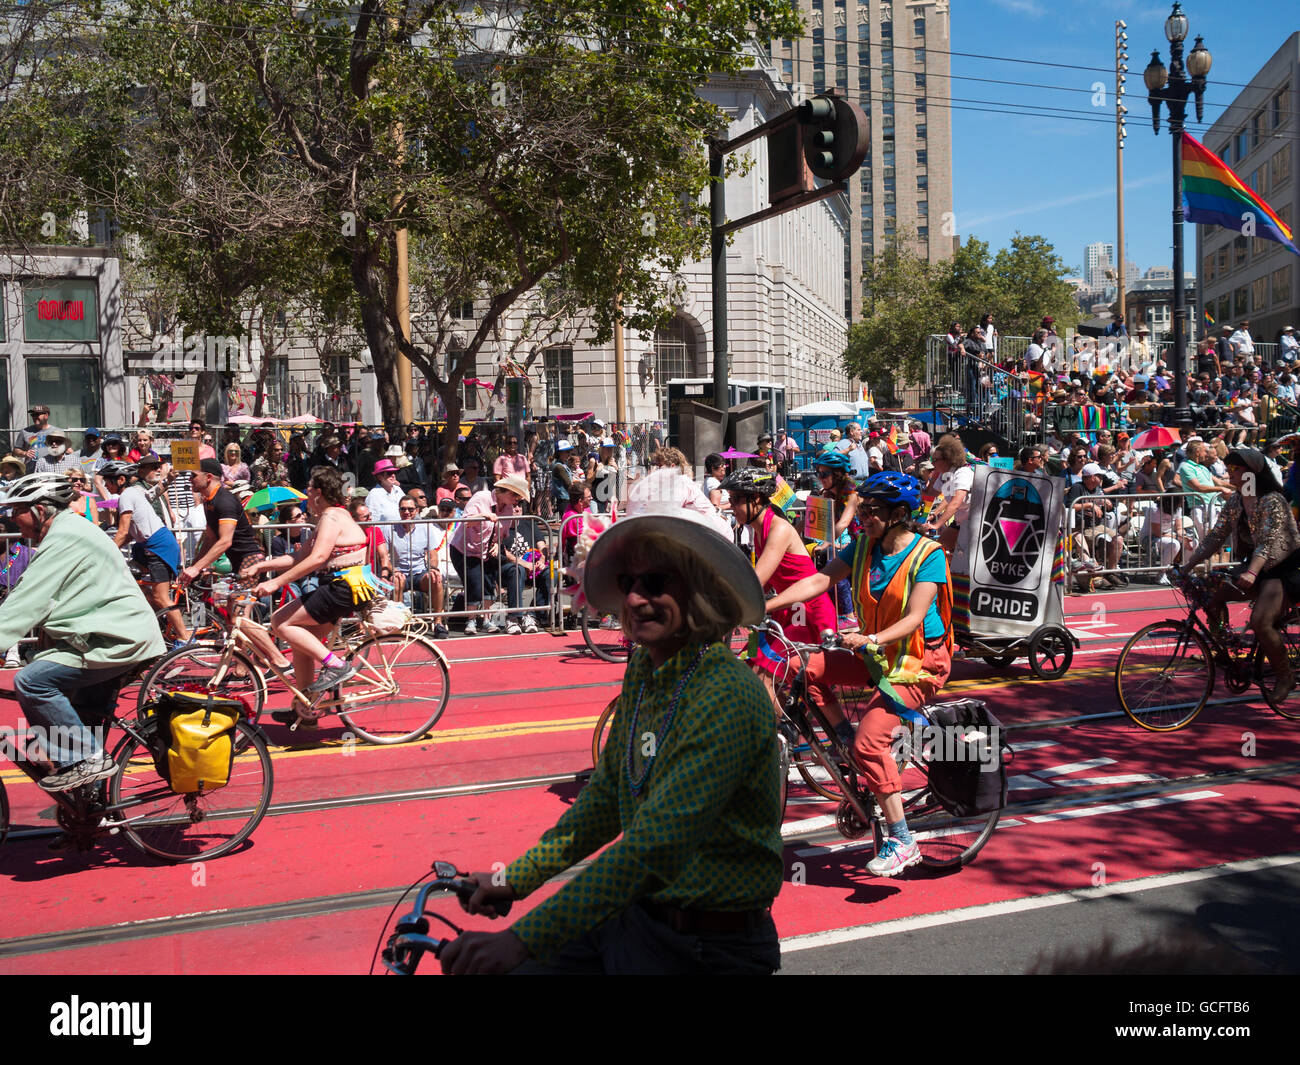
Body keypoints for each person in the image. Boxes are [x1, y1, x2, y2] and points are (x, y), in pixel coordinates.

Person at [440, 470, 779, 975]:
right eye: (628, 583)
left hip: (705, 949)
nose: (637, 599)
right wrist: (513, 879)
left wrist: (523, 938)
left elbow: (653, 847)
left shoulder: (726, 693)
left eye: (657, 582)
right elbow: (604, 801)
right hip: (636, 917)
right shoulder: (646, 667)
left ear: (700, 588)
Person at [765, 471, 953, 877]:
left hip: (917, 661)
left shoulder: (928, 554)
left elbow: (917, 617)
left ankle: (903, 841)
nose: (862, 516)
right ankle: (843, 741)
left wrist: (871, 638)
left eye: (871, 510)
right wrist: (765, 605)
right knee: (798, 669)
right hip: (877, 652)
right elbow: (819, 579)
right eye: (862, 508)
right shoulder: (864, 544)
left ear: (899, 513)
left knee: (871, 743)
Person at [0, 473, 167, 793]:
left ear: (40, 509)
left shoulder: (65, 537)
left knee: (31, 681)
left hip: (115, 642)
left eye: (15, 510)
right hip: (102, 639)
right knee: (72, 729)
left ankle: (86, 758)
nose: (11, 519)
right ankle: (90, 814)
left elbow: (25, 602)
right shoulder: (66, 532)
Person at [250, 466, 386, 713]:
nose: (305, 495)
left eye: (308, 489)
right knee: (304, 642)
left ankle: (335, 665)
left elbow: (317, 558)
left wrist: (275, 583)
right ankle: (307, 710)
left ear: (318, 492)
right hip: (342, 586)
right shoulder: (333, 515)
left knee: (280, 622)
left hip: (343, 587)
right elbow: (300, 556)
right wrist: (262, 566)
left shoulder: (331, 517)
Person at [1179, 448, 1300, 701]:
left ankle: (1284, 675)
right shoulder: (1236, 500)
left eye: (1235, 469)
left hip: (1282, 568)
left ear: (1252, 473)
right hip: (1255, 567)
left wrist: (1252, 572)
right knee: (1212, 599)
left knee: (1261, 622)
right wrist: (1187, 566)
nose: (1229, 473)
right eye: (1228, 468)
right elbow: (1215, 536)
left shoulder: (1272, 500)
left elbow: (1268, 542)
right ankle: (1224, 651)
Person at [449, 473, 530, 635]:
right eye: (516, 497)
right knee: (474, 582)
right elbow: (465, 522)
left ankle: (486, 620)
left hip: (486, 551)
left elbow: (503, 534)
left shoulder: (508, 510)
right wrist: (484, 516)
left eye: (519, 499)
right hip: (464, 549)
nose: (517, 502)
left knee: (488, 582)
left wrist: (497, 544)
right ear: (507, 492)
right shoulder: (481, 498)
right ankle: (470, 620)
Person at [180, 458, 267, 588]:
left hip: (251, 558)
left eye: (193, 475)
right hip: (236, 560)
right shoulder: (208, 501)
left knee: (240, 606)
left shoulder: (224, 501)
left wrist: (196, 568)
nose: (189, 479)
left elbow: (225, 541)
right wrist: (194, 567)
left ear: (208, 477)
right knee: (222, 602)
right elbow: (210, 539)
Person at [388, 494, 449, 637]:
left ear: (416, 510)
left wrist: (433, 569)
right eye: (403, 509)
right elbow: (385, 556)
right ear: (399, 511)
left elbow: (433, 554)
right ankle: (401, 624)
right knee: (396, 581)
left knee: (436, 578)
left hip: (420, 573)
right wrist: (394, 570)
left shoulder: (425, 527)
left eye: (410, 509)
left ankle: (438, 623)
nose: (406, 512)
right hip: (400, 572)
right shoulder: (390, 528)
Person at [921, 435, 971, 554]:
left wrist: (937, 525)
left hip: (974, 523)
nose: (933, 463)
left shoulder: (963, 473)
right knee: (940, 549)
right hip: (960, 522)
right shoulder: (944, 475)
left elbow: (955, 503)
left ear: (948, 459)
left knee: (946, 552)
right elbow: (931, 495)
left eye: (935, 460)